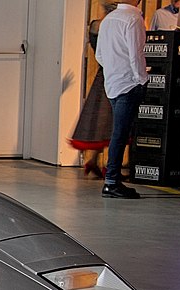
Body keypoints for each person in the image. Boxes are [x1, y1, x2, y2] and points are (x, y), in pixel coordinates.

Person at [95, 0, 148, 199]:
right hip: (129, 83)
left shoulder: (109, 19)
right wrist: (141, 79)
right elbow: (136, 54)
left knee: (119, 132)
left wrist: (113, 70)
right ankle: (111, 182)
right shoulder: (133, 18)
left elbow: (99, 55)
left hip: (113, 83)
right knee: (120, 133)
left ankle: (112, 179)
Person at [69, 15, 115, 177]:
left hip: (105, 77)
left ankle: (95, 161)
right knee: (108, 123)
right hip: (111, 77)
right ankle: (107, 165)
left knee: (103, 124)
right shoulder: (102, 26)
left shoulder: (101, 26)